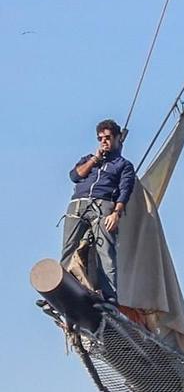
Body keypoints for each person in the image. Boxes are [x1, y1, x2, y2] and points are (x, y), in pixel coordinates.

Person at [61, 119, 137, 303]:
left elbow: (125, 190)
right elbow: (74, 176)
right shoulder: (88, 159)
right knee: (68, 248)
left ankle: (110, 298)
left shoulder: (123, 165)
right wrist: (95, 159)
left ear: (118, 138)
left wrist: (116, 213)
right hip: (78, 205)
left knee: (106, 253)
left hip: (103, 206)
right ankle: (60, 288)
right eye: (100, 138)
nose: (104, 141)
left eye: (108, 138)